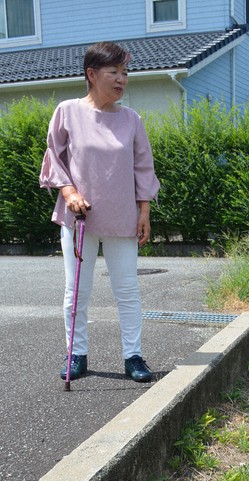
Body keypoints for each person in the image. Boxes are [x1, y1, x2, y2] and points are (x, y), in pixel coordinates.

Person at [40, 41, 160, 383]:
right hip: (79, 219)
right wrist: (69, 192)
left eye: (125, 73)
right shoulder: (67, 111)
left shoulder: (131, 120)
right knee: (76, 290)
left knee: (127, 291)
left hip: (123, 217)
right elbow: (55, 158)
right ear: (92, 75)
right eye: (114, 72)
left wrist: (144, 211)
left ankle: (133, 356)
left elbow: (143, 167)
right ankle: (76, 354)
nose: (122, 79)